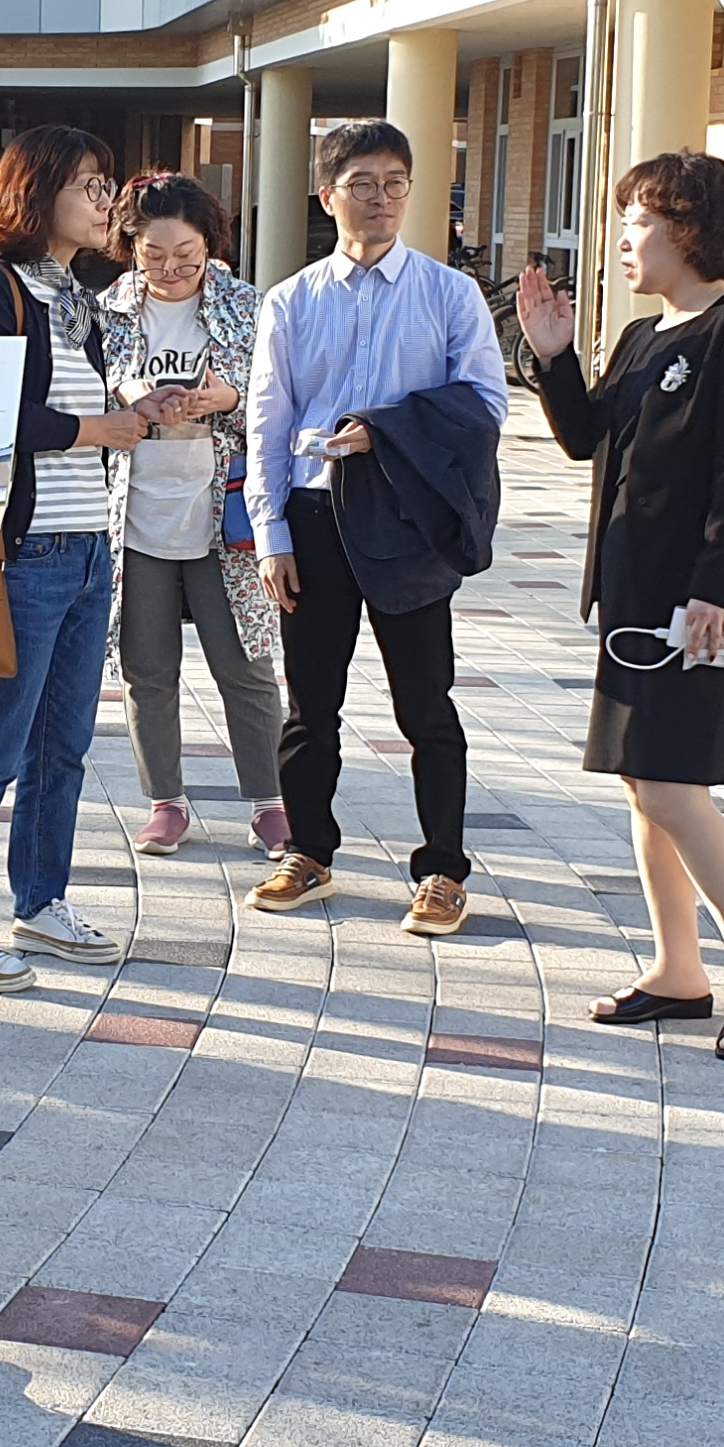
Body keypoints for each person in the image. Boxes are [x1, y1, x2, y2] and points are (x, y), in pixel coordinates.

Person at [518, 153, 724, 1062]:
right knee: (645, 787)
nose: (622, 238)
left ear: (685, 228)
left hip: (698, 604)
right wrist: (554, 358)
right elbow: (584, 439)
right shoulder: (642, 337)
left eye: (637, 220)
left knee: (676, 785)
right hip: (634, 594)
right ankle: (678, 970)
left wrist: (719, 587)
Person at [242, 119, 510, 936]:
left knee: (426, 706)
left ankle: (442, 871)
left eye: (397, 182)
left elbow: (486, 406)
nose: (383, 198)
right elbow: (266, 419)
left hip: (406, 520)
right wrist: (271, 536)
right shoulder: (289, 300)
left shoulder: (449, 293)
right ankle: (310, 852)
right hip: (317, 519)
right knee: (308, 706)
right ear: (328, 197)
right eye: (363, 183)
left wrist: (384, 431)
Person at [0, 127, 146, 993]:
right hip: (25, 556)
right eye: (90, 184)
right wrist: (96, 429)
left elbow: (71, 413)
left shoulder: (77, 298)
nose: (104, 200)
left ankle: (39, 905)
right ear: (37, 192)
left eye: (107, 183)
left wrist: (129, 412)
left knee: (66, 747)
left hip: (89, 550)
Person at [94, 174, 283, 858]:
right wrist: (134, 400)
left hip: (222, 518)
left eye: (187, 256)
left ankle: (269, 800)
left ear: (211, 246)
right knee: (148, 668)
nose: (171, 270)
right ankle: (164, 801)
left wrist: (225, 398)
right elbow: (93, 389)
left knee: (246, 664)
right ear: (129, 248)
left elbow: (276, 396)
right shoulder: (107, 310)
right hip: (137, 515)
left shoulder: (246, 305)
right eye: (153, 256)